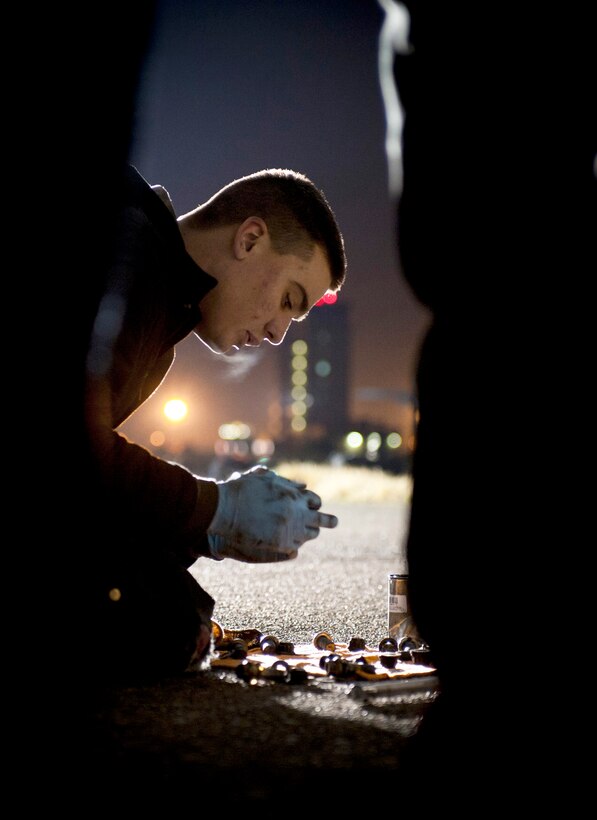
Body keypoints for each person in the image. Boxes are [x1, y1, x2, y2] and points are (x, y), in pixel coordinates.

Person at [82, 162, 347, 682]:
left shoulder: (158, 285)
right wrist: (213, 509)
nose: (276, 333)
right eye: (288, 301)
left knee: (166, 603)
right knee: (158, 622)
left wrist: (205, 530)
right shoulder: (130, 260)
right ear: (249, 239)